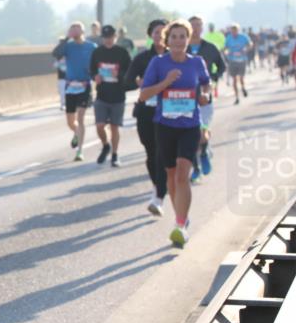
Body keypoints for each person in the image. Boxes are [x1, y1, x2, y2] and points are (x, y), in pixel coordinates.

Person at [138, 19, 212, 248]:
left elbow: (206, 85)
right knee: (170, 175)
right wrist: (166, 82)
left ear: (188, 39)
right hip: (165, 125)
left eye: (183, 36)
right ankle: (181, 216)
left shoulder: (197, 62)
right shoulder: (158, 63)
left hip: (189, 125)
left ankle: (180, 226)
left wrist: (205, 96)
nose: (178, 41)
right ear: (167, 40)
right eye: (174, 37)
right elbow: (143, 95)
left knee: (182, 174)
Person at [124, 19, 169, 216]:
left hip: (171, 112)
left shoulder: (177, 58)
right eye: (156, 32)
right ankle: (157, 187)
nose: (159, 35)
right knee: (152, 153)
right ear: (151, 35)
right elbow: (127, 82)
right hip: (147, 112)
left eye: (163, 32)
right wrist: (138, 82)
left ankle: (159, 196)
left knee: (164, 153)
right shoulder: (142, 59)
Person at [186, 16, 226, 182]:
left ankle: (203, 152)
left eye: (198, 25)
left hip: (204, 97)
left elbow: (222, 66)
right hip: (185, 98)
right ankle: (196, 169)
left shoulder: (210, 48)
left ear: (202, 28)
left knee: (201, 134)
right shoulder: (182, 48)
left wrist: (213, 77)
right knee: (192, 136)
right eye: (193, 25)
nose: (196, 28)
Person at [53, 22, 97, 161]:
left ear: (83, 31)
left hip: (84, 86)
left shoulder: (91, 47)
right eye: (72, 30)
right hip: (71, 86)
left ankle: (79, 151)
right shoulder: (68, 46)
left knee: (81, 118)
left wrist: (91, 76)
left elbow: (96, 64)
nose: (75, 32)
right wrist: (67, 38)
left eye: (77, 30)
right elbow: (56, 54)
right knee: (71, 122)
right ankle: (76, 133)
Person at [89, 25, 132, 167]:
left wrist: (119, 75)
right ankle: (105, 145)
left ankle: (115, 155)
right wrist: (95, 76)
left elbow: (129, 71)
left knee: (114, 127)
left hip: (118, 95)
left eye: (110, 37)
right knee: (100, 125)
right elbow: (91, 69)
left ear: (115, 37)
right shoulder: (97, 52)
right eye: (105, 38)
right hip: (102, 94)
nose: (108, 40)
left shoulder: (122, 52)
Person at [224, 24, 252, 104]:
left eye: (235, 30)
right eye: (232, 31)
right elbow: (225, 48)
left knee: (241, 78)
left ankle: (243, 88)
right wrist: (226, 52)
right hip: (232, 60)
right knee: (234, 80)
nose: (234, 32)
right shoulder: (229, 38)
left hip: (242, 60)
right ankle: (237, 97)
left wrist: (246, 49)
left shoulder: (243, 37)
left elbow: (250, 44)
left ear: (238, 30)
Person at [53, 36, 67, 111]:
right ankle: (62, 104)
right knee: (62, 92)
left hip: (69, 77)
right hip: (61, 77)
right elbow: (54, 66)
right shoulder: (58, 57)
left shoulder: (69, 55)